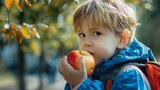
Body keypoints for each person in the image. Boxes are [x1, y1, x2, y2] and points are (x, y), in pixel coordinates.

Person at [58, 0, 156, 89]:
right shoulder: (92, 73)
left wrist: (80, 84)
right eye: (82, 35)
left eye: (96, 33)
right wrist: (73, 83)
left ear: (121, 39)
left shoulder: (130, 75)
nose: (86, 42)